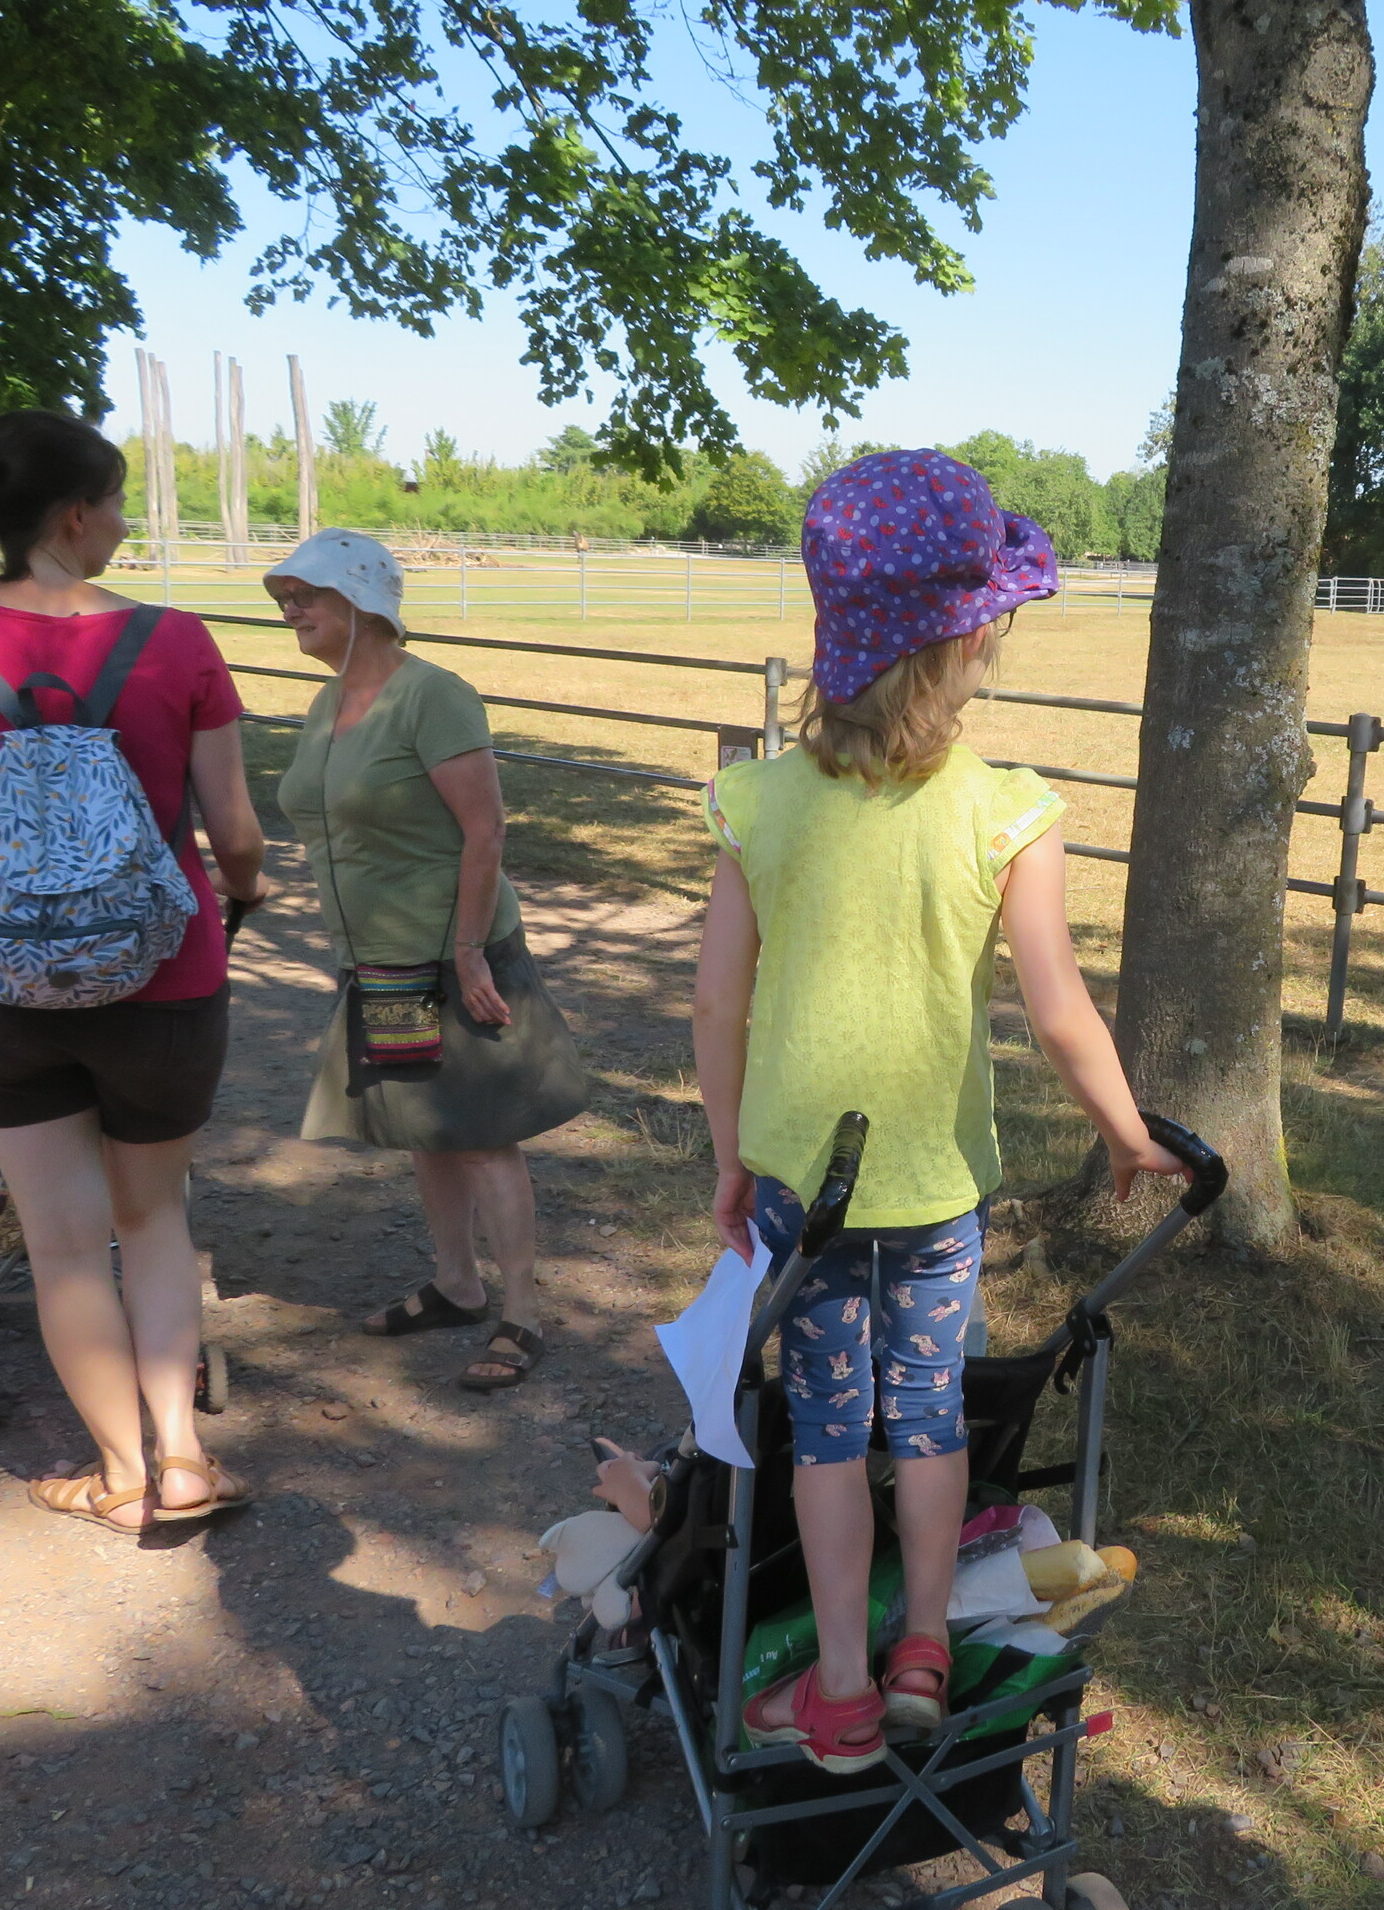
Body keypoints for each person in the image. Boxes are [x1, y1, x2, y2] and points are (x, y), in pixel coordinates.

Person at [693, 450, 1189, 1774]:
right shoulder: (1007, 811)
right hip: (935, 1197)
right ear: (965, 641)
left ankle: (840, 1689)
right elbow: (1061, 1011)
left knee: (824, 1431)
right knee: (927, 1418)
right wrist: (1126, 1132)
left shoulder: (758, 803)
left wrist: (731, 1156)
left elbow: (717, 1006)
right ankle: (922, 1648)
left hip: (799, 1184)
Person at [0, 408, 266, 1535]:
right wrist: (245, 889)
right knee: (155, 1218)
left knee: (63, 1242)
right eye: (120, 504)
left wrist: (17, 890)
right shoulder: (176, 642)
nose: (125, 524)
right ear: (78, 516)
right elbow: (235, 833)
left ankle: (120, 1477)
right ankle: (185, 1460)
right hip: (165, 983)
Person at [266, 529, 587, 1392]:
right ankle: (457, 1283)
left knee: (481, 1137)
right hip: (378, 962)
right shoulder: (327, 704)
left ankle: (523, 1313)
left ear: (362, 601)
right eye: (284, 596)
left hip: (455, 957)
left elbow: (486, 829)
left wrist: (470, 951)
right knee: (426, 1130)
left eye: (305, 593)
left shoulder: (433, 696)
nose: (290, 608)